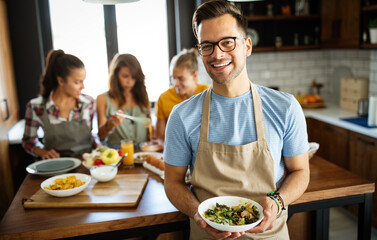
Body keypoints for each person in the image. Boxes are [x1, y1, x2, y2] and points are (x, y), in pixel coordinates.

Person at [163, 0, 310, 239]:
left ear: (247, 46)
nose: (217, 54)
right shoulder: (182, 116)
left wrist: (278, 201)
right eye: (207, 45)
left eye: (227, 42)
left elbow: (300, 171)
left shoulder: (286, 107)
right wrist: (199, 216)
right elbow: (172, 183)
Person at [22, 49, 95, 160]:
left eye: (83, 81)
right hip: (56, 166)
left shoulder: (88, 103)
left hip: (87, 164)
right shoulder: (36, 107)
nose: (83, 87)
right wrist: (43, 152)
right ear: (61, 81)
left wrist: (99, 146)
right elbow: (28, 141)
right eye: (77, 82)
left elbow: (90, 136)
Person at [96, 53, 150, 148]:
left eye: (134, 77)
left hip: (142, 152)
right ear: (115, 76)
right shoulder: (102, 99)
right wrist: (110, 125)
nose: (130, 82)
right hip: (116, 153)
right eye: (125, 76)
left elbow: (149, 129)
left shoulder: (143, 96)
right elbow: (101, 135)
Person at [155, 48, 210, 141]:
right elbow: (161, 137)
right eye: (173, 78)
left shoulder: (208, 93)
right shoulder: (163, 98)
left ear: (195, 75)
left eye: (181, 78)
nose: (175, 83)